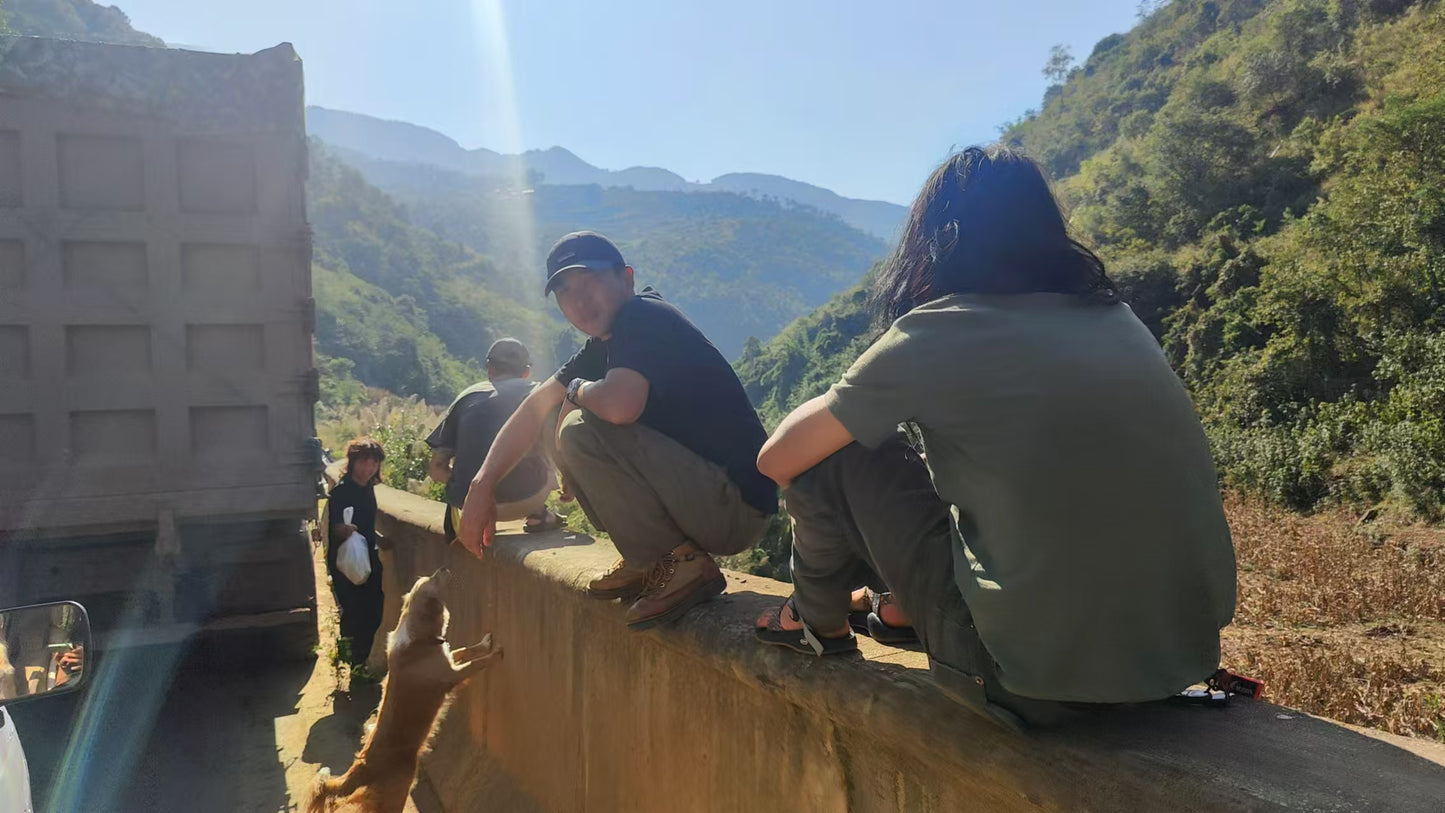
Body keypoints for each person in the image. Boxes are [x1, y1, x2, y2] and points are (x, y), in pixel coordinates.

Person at [752, 146, 1237, 731]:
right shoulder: (1117, 318)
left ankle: (814, 623)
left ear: (936, 241)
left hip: (1029, 683)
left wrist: (849, 393)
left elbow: (778, 459)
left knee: (833, 456)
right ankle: (904, 609)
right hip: (1173, 663)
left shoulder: (936, 332)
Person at [456, 231, 778, 631]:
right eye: (565, 291)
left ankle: (682, 564)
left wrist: (575, 393)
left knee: (576, 428)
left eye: (591, 281)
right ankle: (651, 558)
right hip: (710, 496)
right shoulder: (604, 344)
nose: (578, 300)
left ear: (625, 279)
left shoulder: (642, 316)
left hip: (734, 503)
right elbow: (533, 407)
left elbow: (622, 406)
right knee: (557, 419)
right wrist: (482, 484)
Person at [427, 338, 560, 541]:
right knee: (546, 447)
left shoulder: (466, 397)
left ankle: (482, 519)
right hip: (526, 500)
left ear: (489, 369)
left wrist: (467, 484)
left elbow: (436, 470)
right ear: (526, 373)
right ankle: (538, 515)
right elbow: (562, 449)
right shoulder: (539, 394)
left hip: (469, 504)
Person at [327, 438, 387, 668]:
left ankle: (358, 660)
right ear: (352, 463)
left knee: (374, 610)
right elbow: (332, 527)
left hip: (368, 558)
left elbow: (366, 524)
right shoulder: (342, 492)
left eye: (373, 463)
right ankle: (353, 661)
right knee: (354, 611)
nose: (369, 468)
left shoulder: (367, 488)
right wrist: (341, 530)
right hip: (346, 561)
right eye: (364, 462)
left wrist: (381, 540)